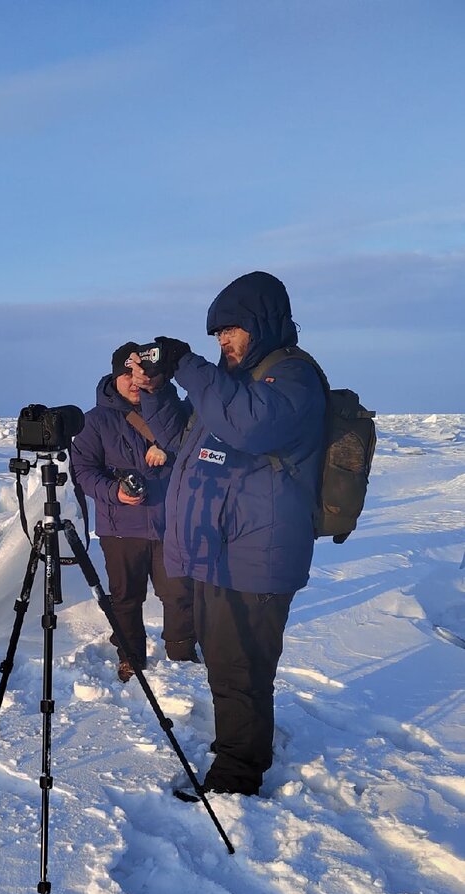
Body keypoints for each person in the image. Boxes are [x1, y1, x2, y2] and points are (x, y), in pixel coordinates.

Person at [133, 271, 325, 796]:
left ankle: (237, 777)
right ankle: (242, 750)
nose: (223, 342)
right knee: (226, 661)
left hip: (258, 553)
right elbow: (180, 438)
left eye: (231, 330)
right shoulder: (232, 386)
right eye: (216, 335)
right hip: (225, 550)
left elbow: (251, 428)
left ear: (261, 323)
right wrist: (156, 390)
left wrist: (188, 366)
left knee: (240, 666)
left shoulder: (292, 379)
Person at [71, 341, 197, 683]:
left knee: (178, 593)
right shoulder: (94, 422)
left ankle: (182, 653)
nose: (132, 380)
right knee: (126, 597)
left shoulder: (172, 410)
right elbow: (82, 470)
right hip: (120, 527)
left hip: (171, 523)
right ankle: (130, 656)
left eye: (138, 373)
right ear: (115, 376)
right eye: (125, 373)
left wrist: (169, 451)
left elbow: (198, 445)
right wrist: (114, 492)